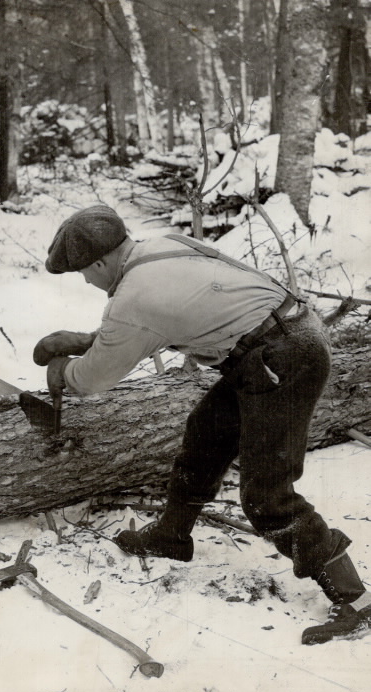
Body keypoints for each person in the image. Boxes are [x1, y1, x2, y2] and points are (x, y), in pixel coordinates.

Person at [33, 204, 371, 645]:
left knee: (266, 496)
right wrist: (85, 340)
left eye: (83, 272)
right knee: (205, 435)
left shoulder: (133, 298)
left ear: (100, 262)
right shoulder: (160, 247)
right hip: (278, 339)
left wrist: (63, 372)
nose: (86, 281)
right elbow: (164, 317)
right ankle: (172, 536)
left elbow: (95, 378)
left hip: (281, 355)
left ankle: (356, 599)